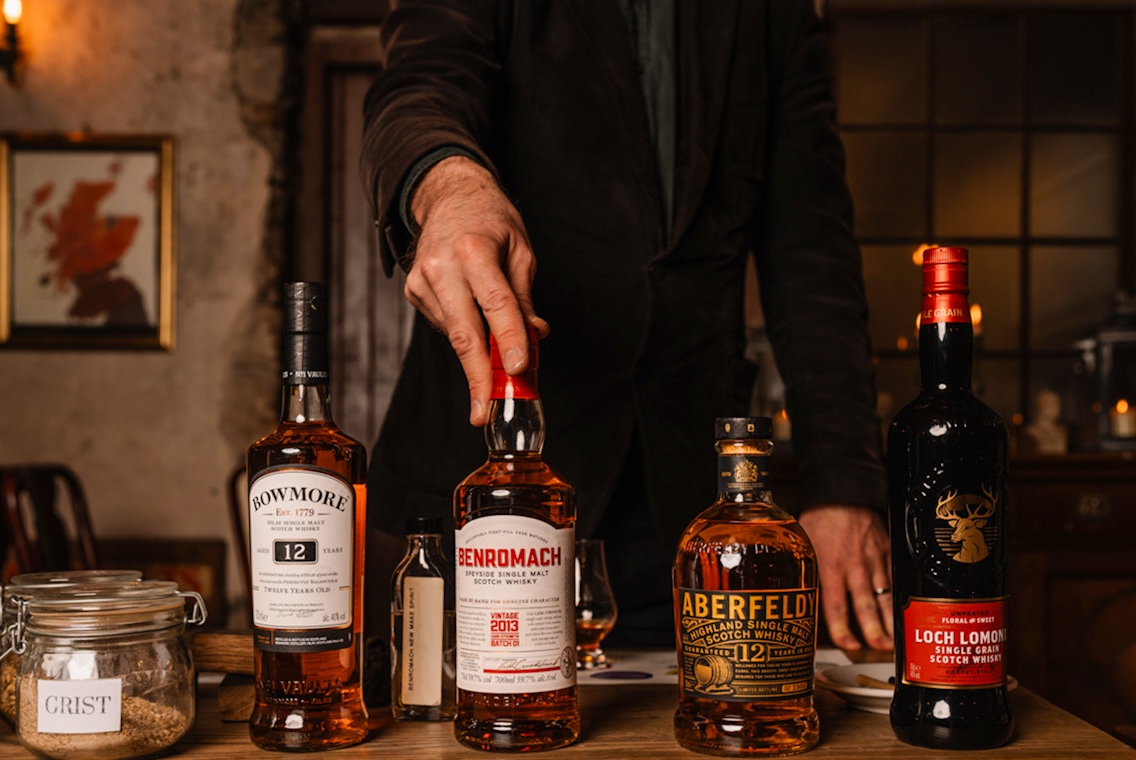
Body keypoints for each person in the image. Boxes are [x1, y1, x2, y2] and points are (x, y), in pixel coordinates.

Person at [359, 0, 893, 652]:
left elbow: (814, 258)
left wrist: (844, 487)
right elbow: (416, 88)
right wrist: (447, 187)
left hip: (688, 502)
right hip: (489, 492)